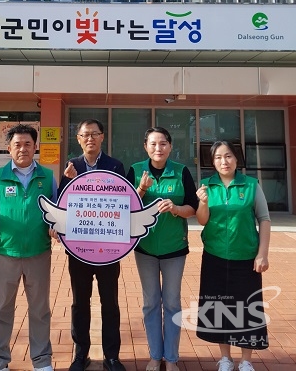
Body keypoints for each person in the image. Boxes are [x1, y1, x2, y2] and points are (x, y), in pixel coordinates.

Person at [0, 123, 57, 371]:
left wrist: (56, 229)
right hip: (5, 254)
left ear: (35, 148)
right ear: (8, 148)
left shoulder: (48, 177)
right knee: (2, 309)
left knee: (40, 310)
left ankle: (42, 361)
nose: (23, 149)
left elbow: (55, 214)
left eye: (28, 144)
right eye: (17, 145)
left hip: (38, 253)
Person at [126, 127, 199, 371]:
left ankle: (171, 358)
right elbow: (125, 208)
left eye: (163, 143)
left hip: (174, 249)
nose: (159, 148)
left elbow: (194, 208)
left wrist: (177, 209)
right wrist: (142, 189)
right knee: (150, 303)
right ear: (145, 145)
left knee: (172, 303)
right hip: (145, 249)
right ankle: (155, 356)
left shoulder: (181, 171)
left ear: (170, 146)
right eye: (153, 144)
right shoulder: (136, 170)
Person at [195, 141, 271, 371]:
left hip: (246, 257)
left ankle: (246, 360)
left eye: (228, 156)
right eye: (218, 158)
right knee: (219, 307)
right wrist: (203, 202)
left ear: (236, 159)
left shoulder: (250, 185)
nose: (223, 161)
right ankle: (225, 358)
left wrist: (262, 254)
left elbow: (264, 219)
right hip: (215, 256)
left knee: (247, 308)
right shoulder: (207, 186)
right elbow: (202, 220)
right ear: (212, 162)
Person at [57, 119, 126, 371]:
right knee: (80, 302)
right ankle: (80, 353)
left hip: (109, 249)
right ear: (78, 139)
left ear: (102, 137)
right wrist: (68, 182)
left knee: (110, 302)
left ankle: (111, 356)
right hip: (79, 248)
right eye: (85, 135)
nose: (90, 139)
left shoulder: (115, 166)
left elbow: (123, 203)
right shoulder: (71, 166)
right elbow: (63, 204)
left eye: (94, 134)